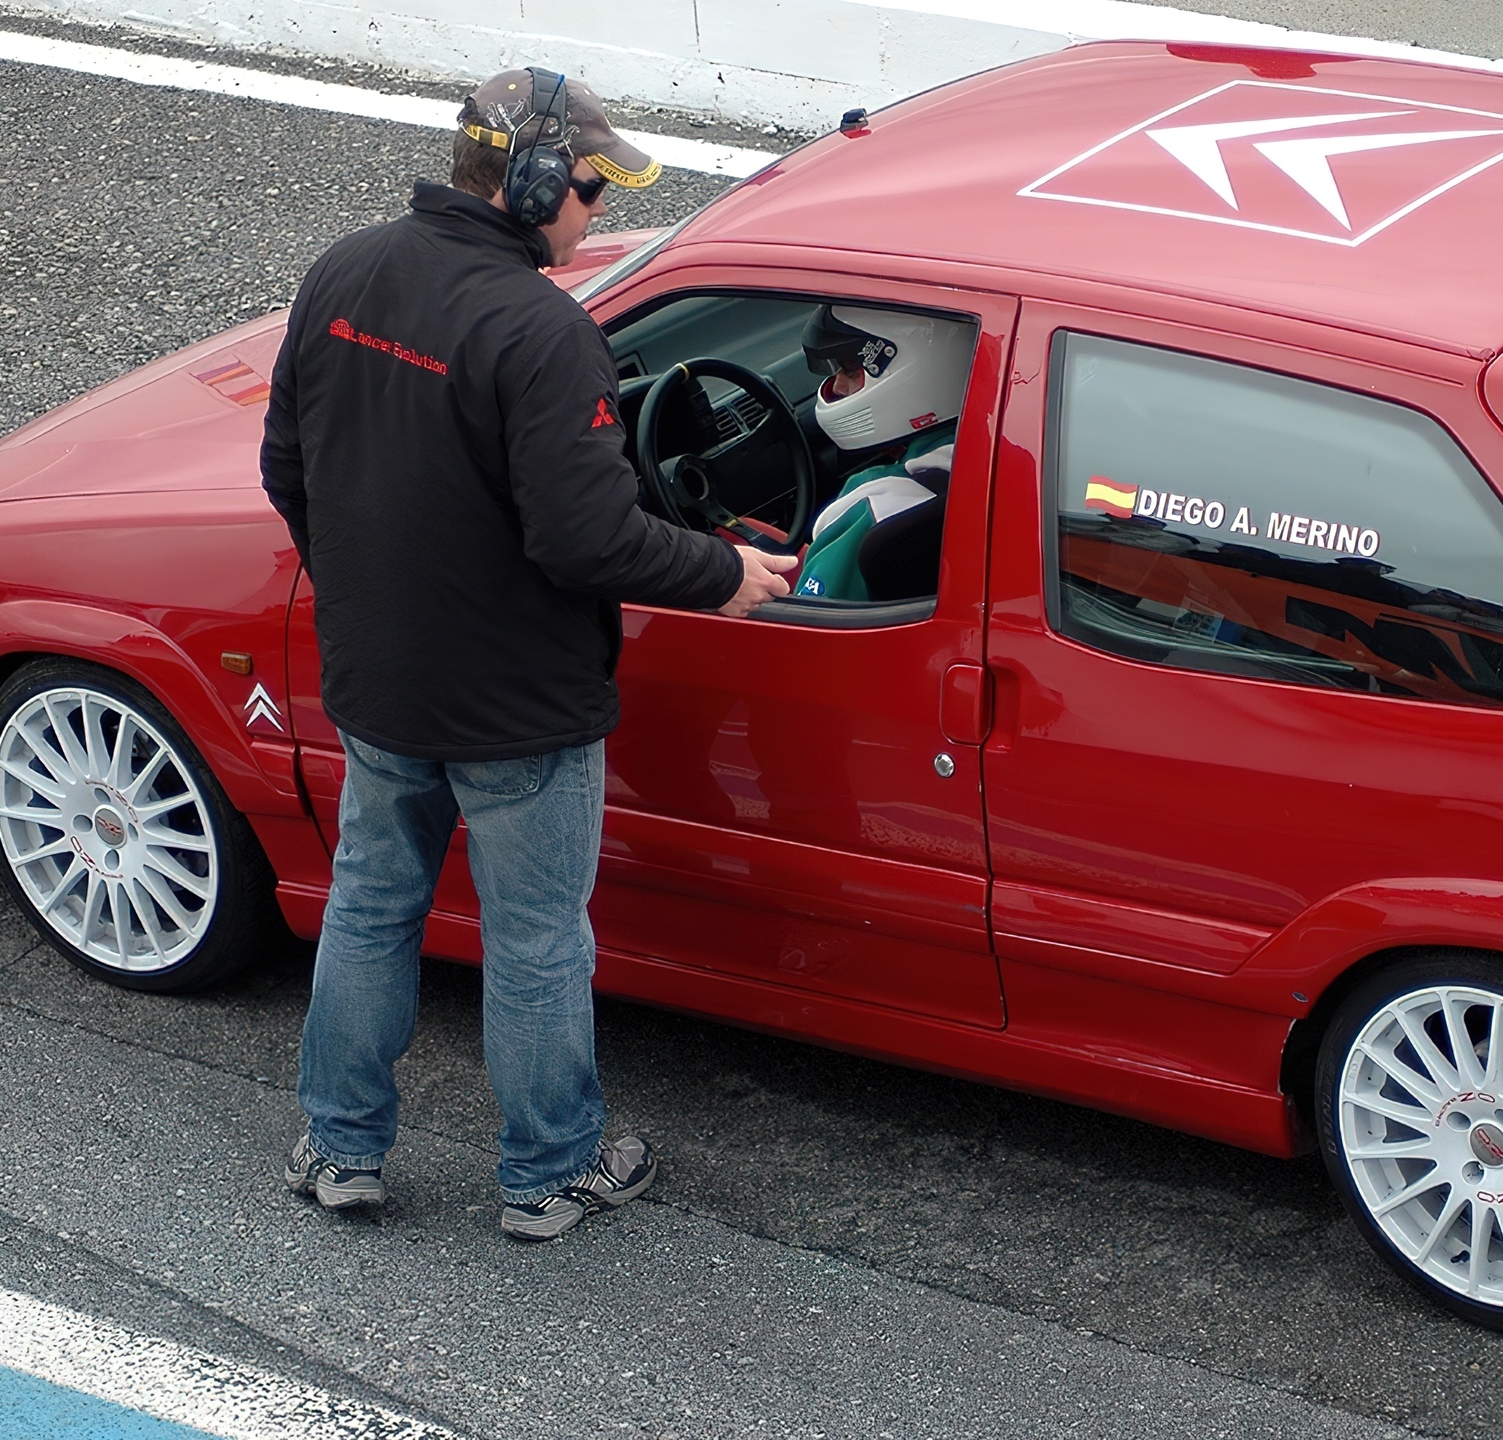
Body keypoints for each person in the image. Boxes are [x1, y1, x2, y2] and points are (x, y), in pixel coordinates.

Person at [259, 65, 796, 1241]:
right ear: (535, 179)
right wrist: (724, 572)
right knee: (539, 939)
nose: (595, 214)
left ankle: (341, 1151)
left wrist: (367, 596)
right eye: (592, 191)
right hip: (521, 714)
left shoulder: (343, 269)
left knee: (366, 909)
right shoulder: (543, 332)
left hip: (379, 686)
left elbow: (286, 469)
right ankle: (549, 1172)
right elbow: (586, 535)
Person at [791, 306, 973, 602]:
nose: (837, 385)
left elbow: (801, 628)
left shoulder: (872, 508)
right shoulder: (1012, 454)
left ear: (919, 371)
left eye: (850, 369)